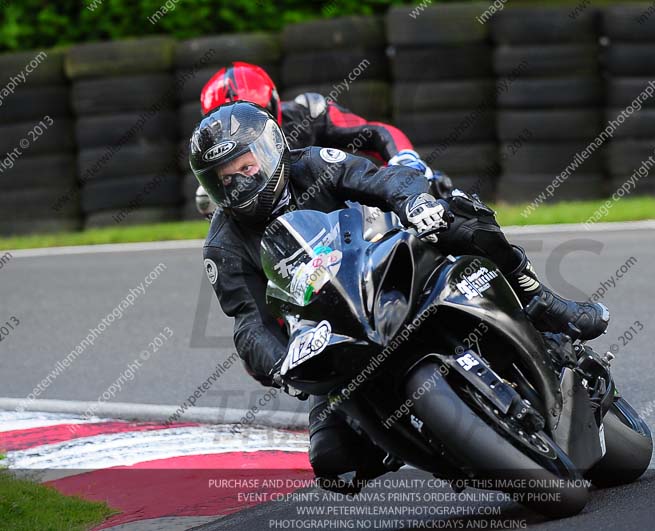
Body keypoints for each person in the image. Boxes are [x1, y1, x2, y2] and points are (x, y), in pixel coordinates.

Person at [191, 102, 609, 492]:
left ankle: (542, 303)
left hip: (388, 264)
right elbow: (249, 322)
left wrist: (415, 202)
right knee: (333, 461)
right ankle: (444, 450)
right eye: (226, 178)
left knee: (461, 218)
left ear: (270, 151)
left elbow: (379, 179)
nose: (241, 182)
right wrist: (281, 364)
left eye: (246, 166)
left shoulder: (312, 164)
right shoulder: (223, 246)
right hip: (332, 334)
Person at [194, 62, 451, 219]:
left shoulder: (309, 112)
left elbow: (375, 132)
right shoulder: (212, 168)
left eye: (251, 117)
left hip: (351, 208)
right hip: (284, 233)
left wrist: (404, 158)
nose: (239, 132)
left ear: (273, 104)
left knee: (434, 189)